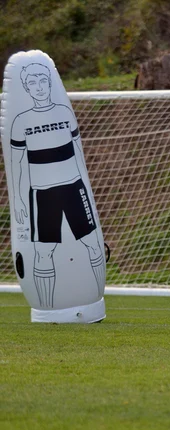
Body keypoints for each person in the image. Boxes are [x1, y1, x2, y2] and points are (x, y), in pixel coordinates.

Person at [10, 62, 105, 308]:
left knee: (93, 245)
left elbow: (77, 151)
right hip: (43, 195)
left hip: (74, 188)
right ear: (26, 88)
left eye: (43, 81)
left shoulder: (63, 111)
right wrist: (19, 199)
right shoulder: (21, 121)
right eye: (32, 83)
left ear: (50, 83)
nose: (39, 87)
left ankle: (94, 300)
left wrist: (86, 189)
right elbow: (18, 164)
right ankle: (48, 308)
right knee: (43, 252)